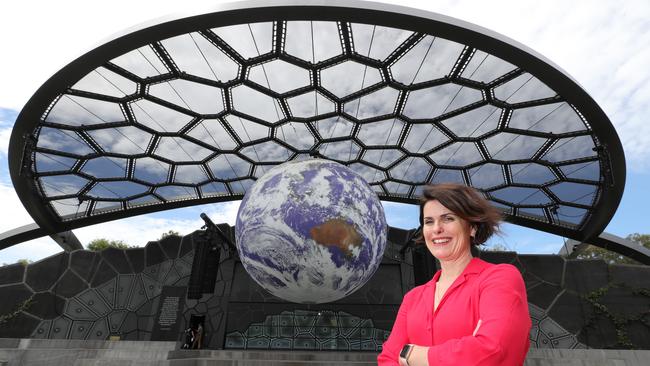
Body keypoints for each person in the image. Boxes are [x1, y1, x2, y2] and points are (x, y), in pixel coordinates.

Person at [378, 183, 531, 366]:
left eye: (448, 218)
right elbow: (387, 359)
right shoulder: (413, 298)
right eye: (429, 221)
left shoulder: (499, 278)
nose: (436, 229)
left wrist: (410, 355)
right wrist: (464, 352)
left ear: (472, 227)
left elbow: (492, 349)